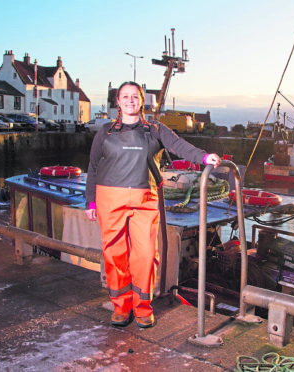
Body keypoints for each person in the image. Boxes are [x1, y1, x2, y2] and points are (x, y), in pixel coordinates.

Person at [84, 81, 221, 328]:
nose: (129, 100)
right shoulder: (104, 132)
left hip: (144, 200)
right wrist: (90, 201)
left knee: (146, 255)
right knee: (114, 255)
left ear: (142, 100)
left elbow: (179, 146)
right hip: (109, 199)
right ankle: (121, 307)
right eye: (124, 96)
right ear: (118, 101)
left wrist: (203, 157)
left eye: (134, 96)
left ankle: (143, 308)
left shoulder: (155, 129)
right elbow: (93, 167)